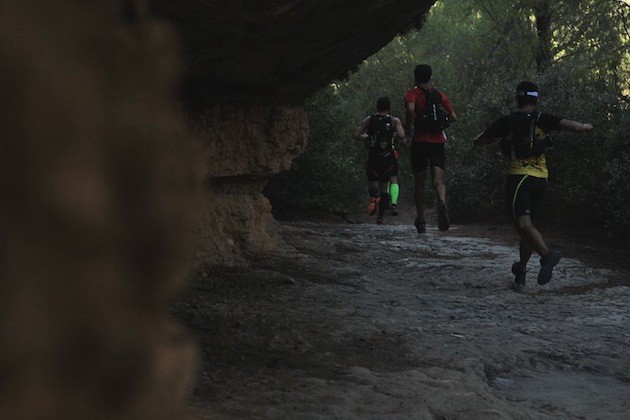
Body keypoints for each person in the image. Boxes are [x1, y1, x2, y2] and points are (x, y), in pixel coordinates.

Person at [474, 81, 594, 287]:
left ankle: (547, 256)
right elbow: (573, 127)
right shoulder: (543, 119)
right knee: (528, 228)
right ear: (536, 99)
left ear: (517, 98)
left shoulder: (508, 121)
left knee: (523, 225)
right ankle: (521, 269)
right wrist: (586, 127)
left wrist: (478, 141)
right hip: (541, 180)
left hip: (518, 177)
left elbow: (483, 139)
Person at [404, 64, 457, 233]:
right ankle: (441, 200)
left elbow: (411, 109)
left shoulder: (412, 93)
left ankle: (421, 220)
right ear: (430, 76)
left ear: (416, 76)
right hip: (438, 141)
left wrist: (409, 125)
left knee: (419, 183)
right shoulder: (438, 94)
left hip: (420, 140)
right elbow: (454, 117)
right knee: (438, 181)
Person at [353, 96, 406, 224]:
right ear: (389, 108)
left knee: (373, 184)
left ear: (376, 107)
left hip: (373, 156)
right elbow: (402, 135)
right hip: (388, 158)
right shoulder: (394, 120)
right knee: (384, 187)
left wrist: (366, 137)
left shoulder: (369, 120)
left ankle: (374, 197)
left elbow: (355, 134)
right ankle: (380, 217)